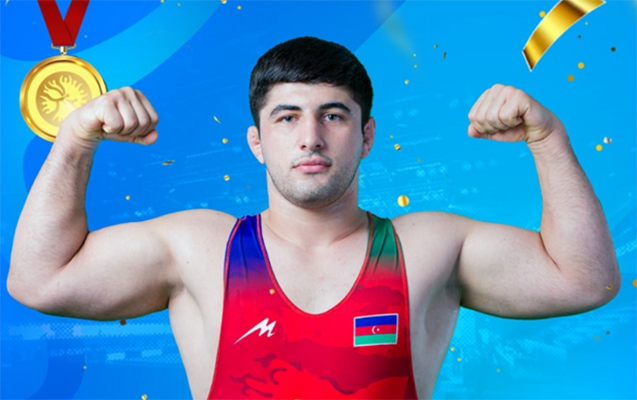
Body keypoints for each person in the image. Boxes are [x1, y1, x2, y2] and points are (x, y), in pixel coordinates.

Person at [7, 36, 620, 400]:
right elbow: (38, 280)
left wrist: (548, 140)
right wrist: (75, 141)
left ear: (366, 136)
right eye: (287, 117)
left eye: (333, 115)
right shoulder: (198, 246)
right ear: (256, 142)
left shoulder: (428, 247)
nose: (310, 137)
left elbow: (584, 280)